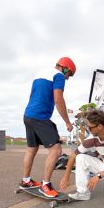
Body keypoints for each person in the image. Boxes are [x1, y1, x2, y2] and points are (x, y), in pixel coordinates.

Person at [21, 57, 76, 198]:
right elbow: (58, 99)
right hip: (40, 117)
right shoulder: (58, 76)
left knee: (31, 149)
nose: (68, 78)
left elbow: (32, 95)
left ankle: (26, 180)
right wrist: (67, 122)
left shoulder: (41, 73)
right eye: (69, 75)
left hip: (28, 115)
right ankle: (45, 185)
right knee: (56, 150)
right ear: (65, 69)